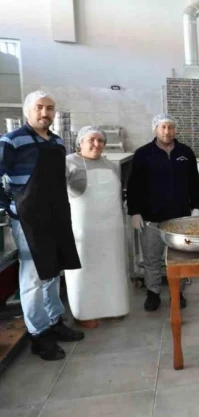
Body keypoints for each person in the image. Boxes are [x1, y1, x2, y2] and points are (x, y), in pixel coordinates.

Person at [0, 91, 84, 361]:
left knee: (53, 271)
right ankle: (38, 334)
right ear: (28, 110)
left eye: (49, 108)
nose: (45, 113)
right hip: (28, 220)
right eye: (39, 107)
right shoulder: (12, 141)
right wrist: (9, 206)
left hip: (55, 215)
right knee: (34, 277)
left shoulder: (57, 142)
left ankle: (54, 320)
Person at [127, 114, 199, 311]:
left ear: (175, 130)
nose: (167, 131)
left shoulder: (185, 152)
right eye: (163, 127)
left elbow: (194, 183)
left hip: (180, 218)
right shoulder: (143, 154)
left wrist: (197, 207)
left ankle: (177, 292)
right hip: (151, 218)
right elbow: (133, 186)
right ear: (155, 129)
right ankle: (153, 292)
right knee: (152, 258)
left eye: (170, 127)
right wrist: (134, 212)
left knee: (179, 258)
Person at [65, 126, 129, 328]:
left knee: (112, 269)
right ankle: (84, 313)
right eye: (91, 140)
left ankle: (114, 308)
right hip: (83, 230)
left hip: (111, 228)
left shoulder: (111, 165)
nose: (96, 144)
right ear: (80, 142)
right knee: (85, 272)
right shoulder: (68, 163)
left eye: (100, 141)